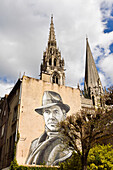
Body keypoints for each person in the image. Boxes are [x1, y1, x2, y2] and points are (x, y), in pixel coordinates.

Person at [26, 91, 72, 166]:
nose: (51, 117)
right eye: (47, 112)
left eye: (56, 111)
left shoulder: (70, 143)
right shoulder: (34, 144)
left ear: (64, 115)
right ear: (43, 115)